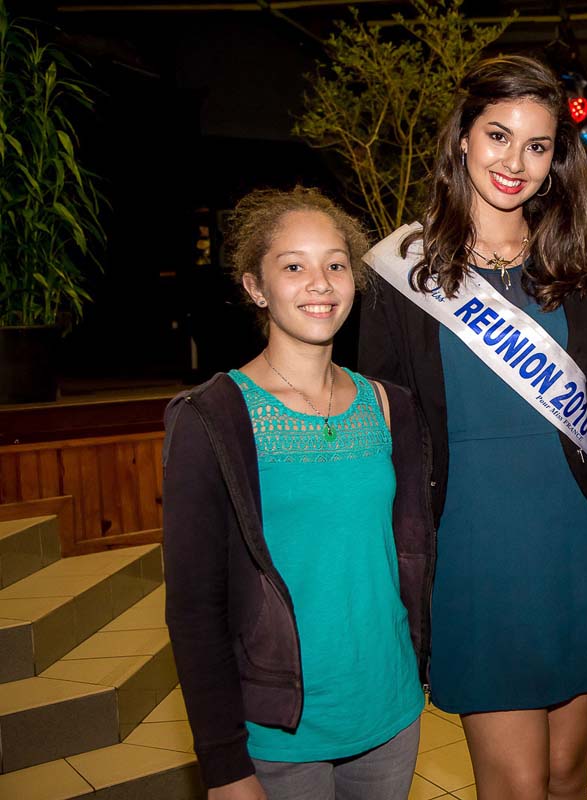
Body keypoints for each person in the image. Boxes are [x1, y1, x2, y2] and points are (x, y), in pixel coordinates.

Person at [358, 55, 587, 799]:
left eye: (538, 146)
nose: (516, 162)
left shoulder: (573, 268)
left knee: (569, 776)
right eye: (498, 136)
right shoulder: (403, 274)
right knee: (517, 785)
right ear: (463, 140)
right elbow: (385, 432)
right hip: (474, 550)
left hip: (574, 544)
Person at [163, 187, 431, 800]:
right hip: (278, 732)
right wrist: (224, 766)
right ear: (256, 287)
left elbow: (411, 555)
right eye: (294, 266)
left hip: (389, 713)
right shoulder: (213, 419)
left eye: (336, 264)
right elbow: (194, 609)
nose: (321, 283)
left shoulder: (391, 407)